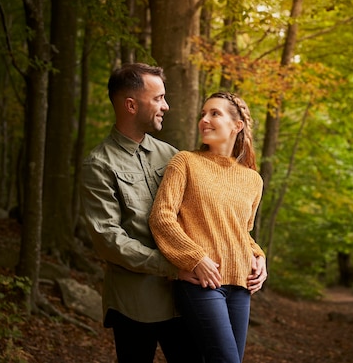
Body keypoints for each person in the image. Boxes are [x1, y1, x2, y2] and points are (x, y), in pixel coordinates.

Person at [79, 63, 202, 363]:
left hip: (184, 296)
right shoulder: (99, 164)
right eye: (158, 98)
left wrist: (253, 253)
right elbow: (108, 239)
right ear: (131, 105)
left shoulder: (172, 155)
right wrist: (172, 267)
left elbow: (203, 213)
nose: (166, 106)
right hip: (135, 303)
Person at [149, 91, 268, 363]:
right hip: (202, 282)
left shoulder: (253, 179)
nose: (204, 119)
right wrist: (194, 257)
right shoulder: (185, 162)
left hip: (241, 286)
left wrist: (259, 256)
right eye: (203, 114)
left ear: (237, 126)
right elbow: (162, 217)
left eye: (215, 113)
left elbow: (240, 232)